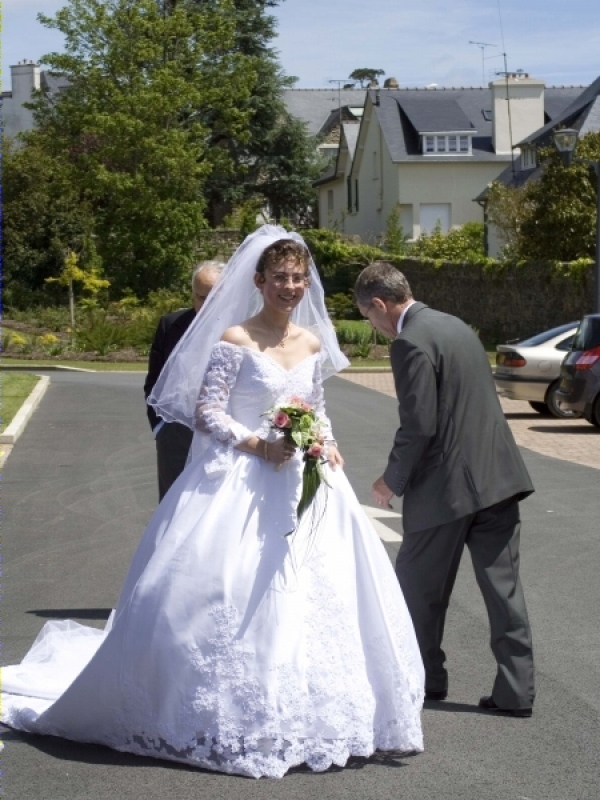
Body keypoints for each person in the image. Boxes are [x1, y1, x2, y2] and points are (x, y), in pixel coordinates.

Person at [1, 227, 424, 779]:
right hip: (241, 476)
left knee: (323, 593)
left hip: (304, 475)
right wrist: (257, 445)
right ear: (259, 281)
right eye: (280, 278)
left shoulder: (313, 344)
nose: (290, 287)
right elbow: (209, 412)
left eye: (298, 278)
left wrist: (328, 444)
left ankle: (312, 712)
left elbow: (314, 405)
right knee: (224, 588)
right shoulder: (234, 338)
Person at [354, 261, 535, 718]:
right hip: (499, 478)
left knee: (417, 589)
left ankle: (424, 678)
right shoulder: (456, 326)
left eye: (368, 317)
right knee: (504, 591)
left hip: (447, 489)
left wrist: (390, 479)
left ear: (379, 304)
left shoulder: (410, 341)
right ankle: (516, 693)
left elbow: (420, 425)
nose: (373, 327)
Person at [144, 260, 224, 500]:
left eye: (215, 297)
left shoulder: (244, 330)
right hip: (175, 434)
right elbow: (154, 381)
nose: (207, 305)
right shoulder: (171, 325)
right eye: (201, 297)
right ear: (192, 294)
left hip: (224, 437)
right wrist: (161, 428)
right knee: (172, 506)